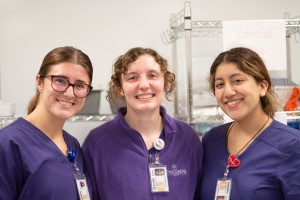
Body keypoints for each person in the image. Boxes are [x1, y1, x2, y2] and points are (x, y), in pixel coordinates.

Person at [82, 47, 203, 200]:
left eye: (152, 75)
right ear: (119, 88)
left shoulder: (187, 138)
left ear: (166, 84)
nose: (144, 85)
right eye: (132, 78)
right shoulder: (97, 143)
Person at [200, 47, 300, 199]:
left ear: (262, 87)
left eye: (237, 81)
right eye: (220, 84)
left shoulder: (292, 145)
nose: (228, 92)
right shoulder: (211, 141)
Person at [0, 46, 93, 199]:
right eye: (60, 81)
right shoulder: (8, 143)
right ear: (40, 82)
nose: (69, 93)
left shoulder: (73, 145)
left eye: (80, 85)